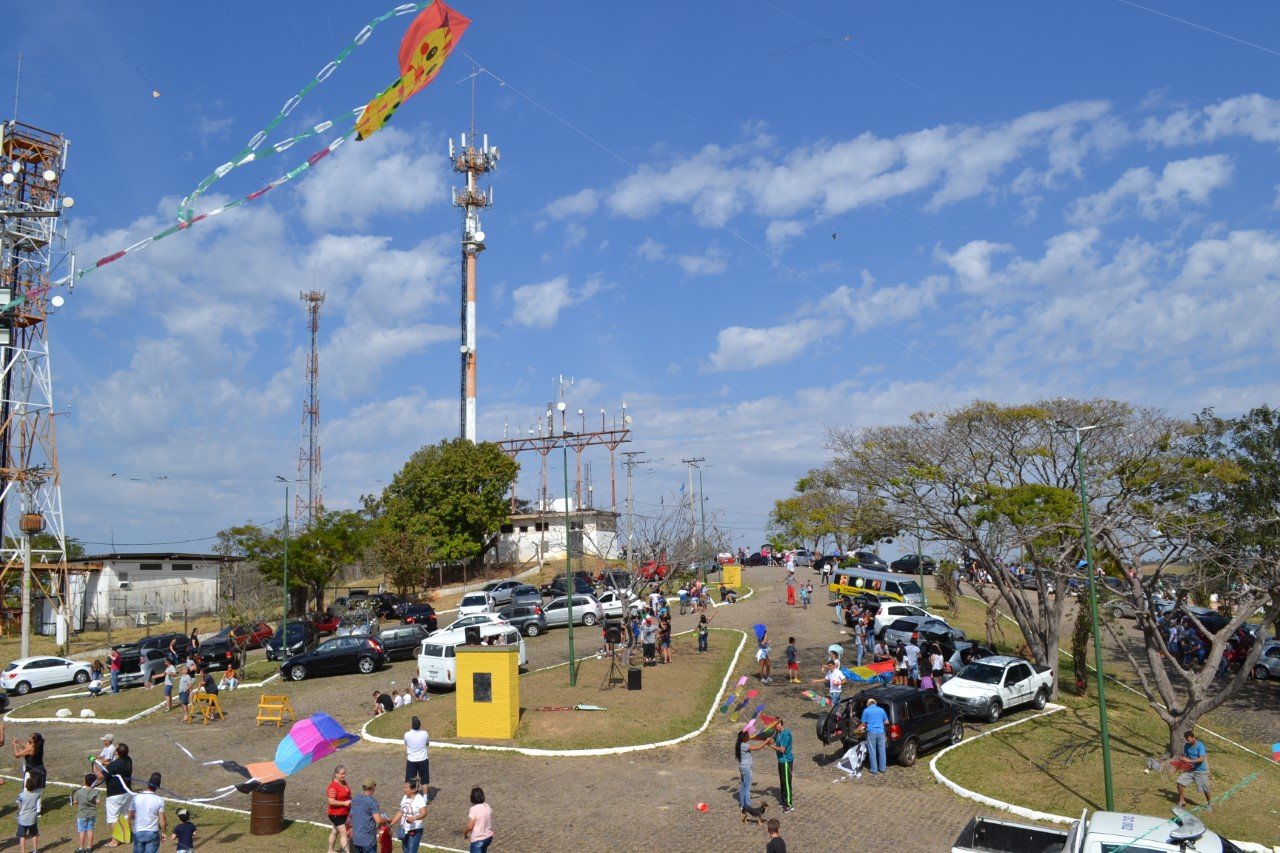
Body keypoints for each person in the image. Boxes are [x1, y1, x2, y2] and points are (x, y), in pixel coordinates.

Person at [97, 741, 132, 847]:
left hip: (114, 794)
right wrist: (103, 762)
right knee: (125, 815)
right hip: (127, 792)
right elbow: (112, 765)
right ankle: (126, 837)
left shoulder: (115, 765)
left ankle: (114, 840)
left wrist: (95, 765)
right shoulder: (128, 760)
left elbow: (100, 776)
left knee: (113, 818)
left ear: (117, 753)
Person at [129, 771, 167, 853]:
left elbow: (130, 816)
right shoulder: (159, 800)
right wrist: (163, 833)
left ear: (148, 783)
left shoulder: (136, 797)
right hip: (152, 832)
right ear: (158, 786)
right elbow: (162, 819)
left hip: (138, 832)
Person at [349, 779, 387, 853]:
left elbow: (351, 816)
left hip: (356, 839)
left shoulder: (355, 799)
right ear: (373, 787)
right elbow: (378, 820)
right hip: (368, 840)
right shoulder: (372, 801)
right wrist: (387, 820)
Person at [1176, 731, 1212, 808]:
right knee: (1179, 782)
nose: (1188, 742)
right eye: (1187, 740)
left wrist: (1190, 761)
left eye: (1189, 740)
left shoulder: (1200, 746)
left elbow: (1202, 759)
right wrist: (1182, 758)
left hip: (1200, 770)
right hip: (1190, 769)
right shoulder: (1187, 745)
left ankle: (1210, 803)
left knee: (1205, 789)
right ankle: (1182, 801)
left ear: (1193, 738)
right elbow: (1185, 756)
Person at [765, 718, 794, 813]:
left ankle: (789, 805)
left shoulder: (786, 734)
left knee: (786, 782)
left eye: (775, 725)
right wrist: (769, 740)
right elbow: (774, 741)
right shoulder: (777, 733)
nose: (774, 727)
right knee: (782, 781)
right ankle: (784, 801)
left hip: (786, 761)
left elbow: (782, 749)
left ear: (780, 724)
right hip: (781, 761)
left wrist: (770, 746)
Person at [735, 730, 764, 813]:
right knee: (747, 788)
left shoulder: (740, 744)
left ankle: (742, 805)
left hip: (742, 767)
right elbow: (758, 748)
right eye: (748, 735)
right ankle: (748, 805)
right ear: (744, 737)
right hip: (746, 768)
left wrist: (757, 736)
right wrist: (766, 741)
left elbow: (750, 738)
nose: (749, 736)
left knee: (743, 786)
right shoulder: (744, 745)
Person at [395, 780, 427, 853]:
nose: (404, 789)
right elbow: (401, 812)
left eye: (406, 788)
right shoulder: (404, 797)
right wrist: (391, 823)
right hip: (404, 829)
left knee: (412, 851)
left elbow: (424, 813)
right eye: (404, 787)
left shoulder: (419, 799)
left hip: (415, 830)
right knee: (405, 851)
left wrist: (414, 818)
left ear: (413, 789)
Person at [326, 765, 353, 853]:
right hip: (335, 814)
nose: (344, 776)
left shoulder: (344, 782)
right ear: (336, 774)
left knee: (335, 831)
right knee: (344, 834)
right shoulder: (333, 786)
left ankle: (330, 850)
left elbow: (347, 794)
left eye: (345, 774)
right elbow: (331, 801)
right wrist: (344, 803)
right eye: (342, 774)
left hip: (344, 813)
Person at [860, 697, 889, 774]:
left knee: (872, 750)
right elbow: (886, 722)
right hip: (880, 732)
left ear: (868, 704)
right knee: (882, 750)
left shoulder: (866, 710)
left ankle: (874, 769)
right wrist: (880, 723)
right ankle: (882, 768)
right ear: (875, 703)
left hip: (871, 732)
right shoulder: (881, 710)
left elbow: (863, 723)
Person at [73, 771, 100, 853]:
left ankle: (81, 849)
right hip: (92, 814)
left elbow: (74, 802)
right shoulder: (96, 791)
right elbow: (98, 802)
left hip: (82, 815)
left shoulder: (79, 791)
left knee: (82, 831)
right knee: (90, 829)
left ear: (85, 781)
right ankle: (89, 847)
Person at [463, 786, 494, 853]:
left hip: (478, 840)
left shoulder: (474, 809)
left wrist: (465, 833)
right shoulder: (487, 806)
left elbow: (470, 826)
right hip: (488, 838)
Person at [16, 775, 40, 853]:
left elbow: (19, 806)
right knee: (34, 834)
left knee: (22, 836)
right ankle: (35, 850)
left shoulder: (21, 795)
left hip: (23, 819)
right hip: (32, 818)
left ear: (26, 785)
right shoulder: (37, 794)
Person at [404, 716, 430, 788]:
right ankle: (425, 797)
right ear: (420, 725)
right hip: (423, 759)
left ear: (412, 725)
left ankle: (408, 796)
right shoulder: (425, 733)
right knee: (424, 781)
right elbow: (427, 743)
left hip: (411, 760)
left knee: (409, 780)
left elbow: (406, 744)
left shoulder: (407, 734)